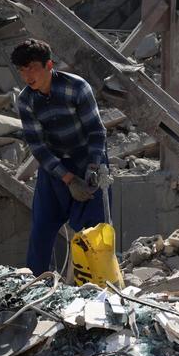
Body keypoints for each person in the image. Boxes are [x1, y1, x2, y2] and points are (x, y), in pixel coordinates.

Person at [12, 38, 110, 274]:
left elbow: (96, 131)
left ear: (49, 65)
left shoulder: (76, 88)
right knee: (42, 228)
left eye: (33, 68)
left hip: (86, 158)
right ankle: (33, 283)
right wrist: (67, 178)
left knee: (93, 230)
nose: (28, 76)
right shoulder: (26, 100)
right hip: (55, 165)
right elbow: (38, 146)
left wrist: (94, 168)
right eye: (22, 71)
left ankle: (94, 284)